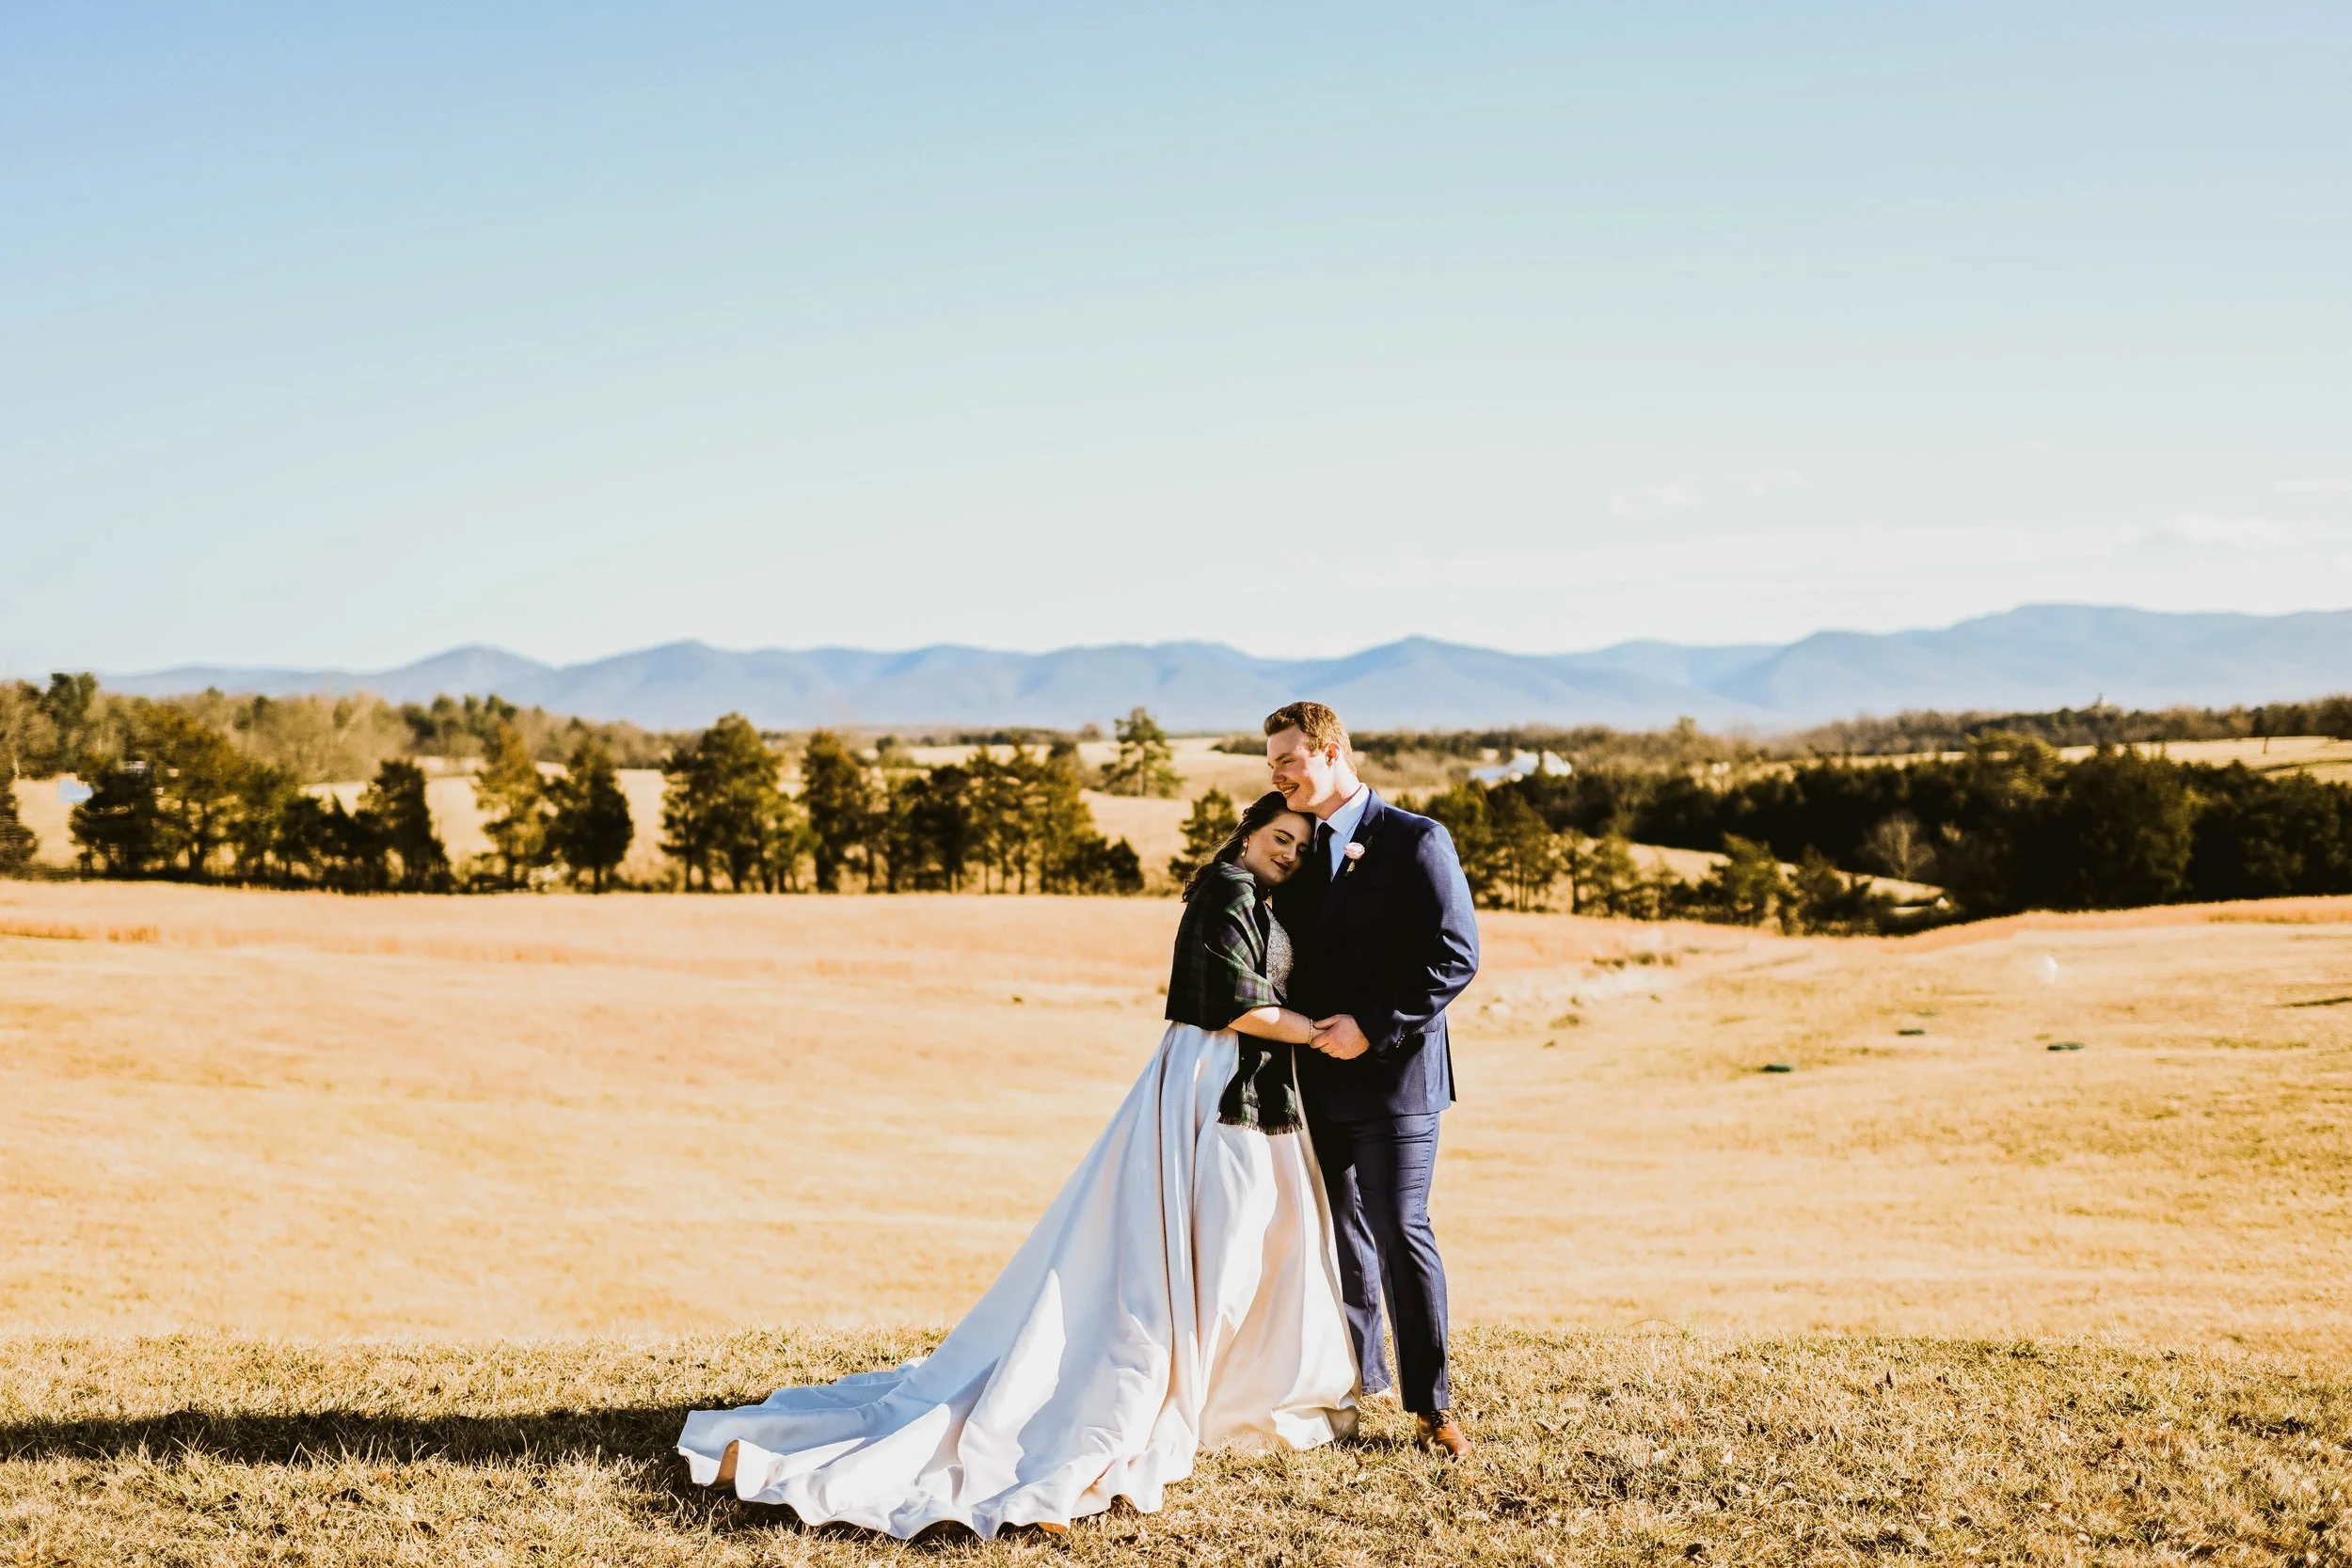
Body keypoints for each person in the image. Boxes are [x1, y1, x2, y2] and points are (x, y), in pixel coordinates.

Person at [676, 791, 1359, 1540]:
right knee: (1221, 1237)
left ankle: (1219, 1382)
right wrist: (1319, 1033)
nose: (1288, 851)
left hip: (1244, 1081)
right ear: (1249, 832)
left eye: (1299, 845)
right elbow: (1231, 1001)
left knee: (1232, 1238)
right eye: (1279, 837)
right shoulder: (1229, 888)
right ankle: (1187, 1389)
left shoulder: (1254, 893)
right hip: (1214, 1077)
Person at [1263, 700, 1481, 1458]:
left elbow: (1455, 956)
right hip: (1315, 1081)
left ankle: (1433, 1406)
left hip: (1398, 1082)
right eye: (1271, 765)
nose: (1278, 775)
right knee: (1340, 1234)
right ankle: (1362, 1377)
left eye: (1288, 759)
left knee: (1400, 1230)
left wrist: (1374, 1025)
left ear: (1330, 751)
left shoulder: (1417, 840)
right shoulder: (1293, 845)